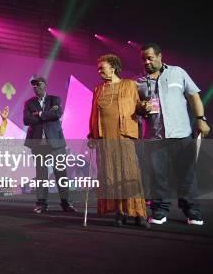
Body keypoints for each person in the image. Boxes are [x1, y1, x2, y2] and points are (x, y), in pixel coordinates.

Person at [136, 42, 210, 225]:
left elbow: (193, 96)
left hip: (181, 133)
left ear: (160, 56)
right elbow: (134, 108)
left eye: (150, 58)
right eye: (143, 59)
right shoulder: (138, 81)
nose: (146, 62)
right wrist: (140, 107)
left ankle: (192, 211)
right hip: (154, 136)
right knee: (157, 176)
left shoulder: (178, 72)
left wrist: (201, 119)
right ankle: (159, 211)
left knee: (187, 174)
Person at [88, 54, 148, 227]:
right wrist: (92, 134)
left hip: (123, 135)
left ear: (113, 68)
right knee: (110, 174)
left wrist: (144, 107)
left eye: (102, 67)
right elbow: (93, 113)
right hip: (105, 137)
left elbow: (138, 106)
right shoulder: (98, 89)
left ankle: (137, 213)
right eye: (98, 68)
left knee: (129, 173)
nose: (99, 71)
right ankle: (119, 212)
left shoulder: (129, 85)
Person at [23, 76, 76, 214]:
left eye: (38, 84)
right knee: (41, 175)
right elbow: (26, 120)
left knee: (61, 174)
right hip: (39, 144)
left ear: (44, 85)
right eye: (33, 85)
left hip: (56, 143)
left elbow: (57, 114)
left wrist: (39, 114)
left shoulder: (54, 99)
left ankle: (65, 203)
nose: (35, 87)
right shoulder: (29, 103)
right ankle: (41, 204)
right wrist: (47, 113)